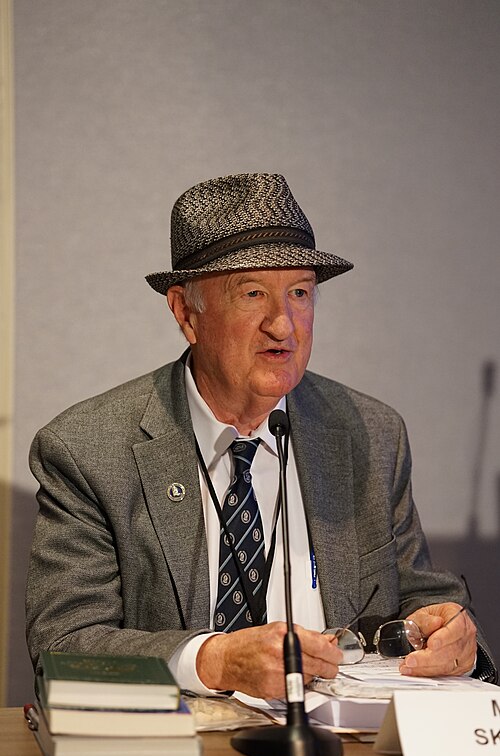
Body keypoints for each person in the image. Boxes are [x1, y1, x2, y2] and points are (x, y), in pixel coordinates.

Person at [25, 172, 497, 697]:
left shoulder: (371, 433)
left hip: (345, 752)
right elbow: (62, 645)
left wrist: (450, 631)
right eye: (253, 293)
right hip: (177, 754)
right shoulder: (88, 449)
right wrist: (214, 661)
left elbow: (418, 596)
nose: (284, 325)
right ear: (185, 312)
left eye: (300, 292)